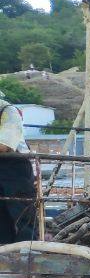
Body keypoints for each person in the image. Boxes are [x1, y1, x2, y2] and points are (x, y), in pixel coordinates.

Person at [0, 98, 35, 244]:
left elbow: (4, 145)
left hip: (15, 168)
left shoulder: (8, 111)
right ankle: (4, 247)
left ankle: (27, 250)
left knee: (21, 213)